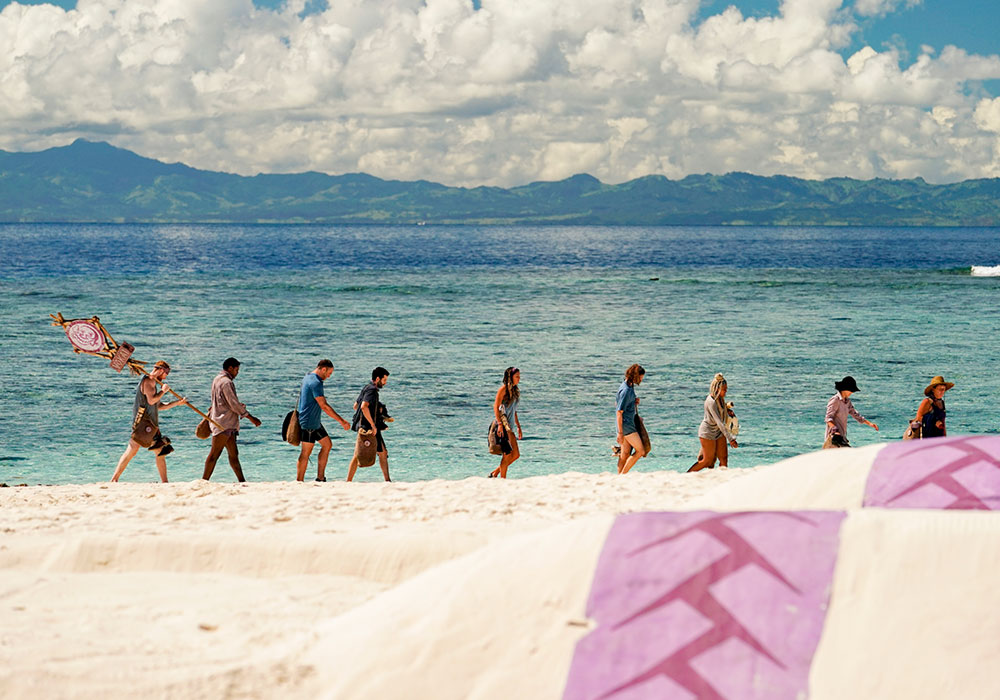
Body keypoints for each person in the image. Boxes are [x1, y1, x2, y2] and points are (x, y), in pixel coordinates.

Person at [111, 360, 188, 482]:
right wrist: (163, 391)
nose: (166, 376)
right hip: (143, 423)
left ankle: (165, 482)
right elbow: (152, 400)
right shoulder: (148, 381)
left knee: (160, 451)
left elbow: (158, 406)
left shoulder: (153, 382)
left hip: (152, 424)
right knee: (132, 449)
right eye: (166, 373)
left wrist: (177, 403)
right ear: (161, 370)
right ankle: (114, 479)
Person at [202, 357, 262, 482]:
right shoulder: (227, 382)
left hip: (224, 422)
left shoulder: (217, 379)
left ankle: (242, 481)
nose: (237, 373)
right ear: (230, 368)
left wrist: (238, 406)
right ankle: (204, 481)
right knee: (214, 454)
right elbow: (233, 404)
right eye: (236, 370)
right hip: (223, 423)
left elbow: (222, 401)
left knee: (234, 454)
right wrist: (251, 417)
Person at [296, 359, 351, 482]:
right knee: (306, 452)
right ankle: (299, 481)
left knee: (327, 444)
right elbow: (324, 406)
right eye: (329, 373)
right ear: (323, 369)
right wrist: (342, 421)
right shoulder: (316, 382)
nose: (329, 376)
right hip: (309, 422)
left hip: (314, 421)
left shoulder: (307, 377)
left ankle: (320, 478)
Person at [347, 367, 391, 482]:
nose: (385, 383)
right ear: (378, 379)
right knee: (382, 453)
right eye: (384, 380)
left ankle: (348, 481)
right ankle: (387, 480)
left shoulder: (366, 387)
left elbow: (355, 406)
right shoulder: (372, 390)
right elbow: (363, 406)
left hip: (363, 426)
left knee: (358, 453)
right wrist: (373, 424)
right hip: (370, 427)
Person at [688, 373, 738, 472]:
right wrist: (730, 439)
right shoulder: (711, 401)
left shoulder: (720, 398)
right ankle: (685, 476)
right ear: (717, 389)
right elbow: (719, 422)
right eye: (724, 389)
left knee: (724, 459)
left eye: (726, 389)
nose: (726, 391)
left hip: (719, 431)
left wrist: (727, 411)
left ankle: (721, 479)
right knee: (707, 461)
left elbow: (721, 409)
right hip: (708, 432)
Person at [824, 375, 878, 448]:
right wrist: (835, 430)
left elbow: (855, 414)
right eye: (851, 390)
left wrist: (869, 423)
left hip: (842, 437)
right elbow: (828, 418)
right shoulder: (835, 400)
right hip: (833, 438)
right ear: (844, 389)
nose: (852, 392)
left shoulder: (847, 401)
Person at [488, 367, 522, 479]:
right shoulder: (503, 390)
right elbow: (496, 407)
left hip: (510, 427)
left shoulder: (515, 391)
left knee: (516, 455)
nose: (519, 378)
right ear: (510, 377)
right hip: (503, 425)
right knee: (507, 455)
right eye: (517, 376)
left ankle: (495, 473)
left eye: (519, 376)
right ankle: (503, 479)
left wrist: (518, 426)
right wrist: (500, 425)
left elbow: (514, 410)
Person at [616, 364, 645, 474]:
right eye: (641, 377)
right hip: (626, 426)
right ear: (636, 376)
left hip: (626, 424)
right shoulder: (626, 390)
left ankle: (618, 477)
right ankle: (623, 475)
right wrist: (620, 433)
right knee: (640, 451)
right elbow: (619, 412)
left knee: (625, 454)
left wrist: (633, 402)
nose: (642, 379)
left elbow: (618, 403)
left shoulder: (629, 386)